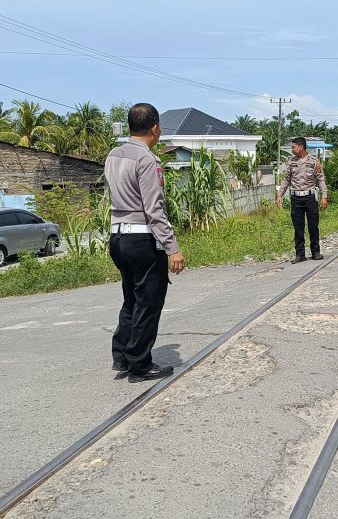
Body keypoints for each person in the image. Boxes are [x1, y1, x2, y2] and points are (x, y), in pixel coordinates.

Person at [105, 102, 183, 383]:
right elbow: (154, 209)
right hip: (142, 239)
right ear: (155, 128)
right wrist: (172, 247)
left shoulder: (114, 155)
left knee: (131, 298)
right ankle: (139, 364)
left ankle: (122, 356)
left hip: (118, 237)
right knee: (149, 302)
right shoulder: (148, 160)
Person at [275, 137, 328, 263]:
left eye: (293, 147)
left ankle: (316, 252)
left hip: (310, 197)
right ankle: (300, 255)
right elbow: (286, 179)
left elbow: (321, 179)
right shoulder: (291, 162)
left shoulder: (314, 161)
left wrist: (324, 196)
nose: (292, 149)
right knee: (298, 227)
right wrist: (279, 195)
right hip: (296, 198)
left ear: (301, 147)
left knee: (313, 226)